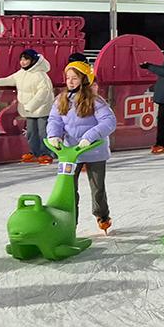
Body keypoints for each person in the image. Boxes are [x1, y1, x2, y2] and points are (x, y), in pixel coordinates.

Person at [46, 61, 118, 233]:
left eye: (75, 78)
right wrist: (54, 135)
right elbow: (55, 120)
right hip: (71, 152)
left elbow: (109, 122)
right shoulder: (61, 99)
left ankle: (102, 215)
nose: (70, 82)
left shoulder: (95, 100)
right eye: (68, 78)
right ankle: (70, 219)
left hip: (94, 151)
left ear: (84, 80)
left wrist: (89, 137)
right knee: (68, 188)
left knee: (97, 189)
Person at [0, 48, 55, 164]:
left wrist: (32, 105)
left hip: (42, 109)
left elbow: (43, 93)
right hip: (28, 110)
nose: (23, 62)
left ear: (33, 60)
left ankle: (46, 153)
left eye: (26, 59)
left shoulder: (40, 75)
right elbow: (11, 79)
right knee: (31, 132)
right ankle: (34, 152)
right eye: (21, 59)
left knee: (43, 132)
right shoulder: (21, 73)